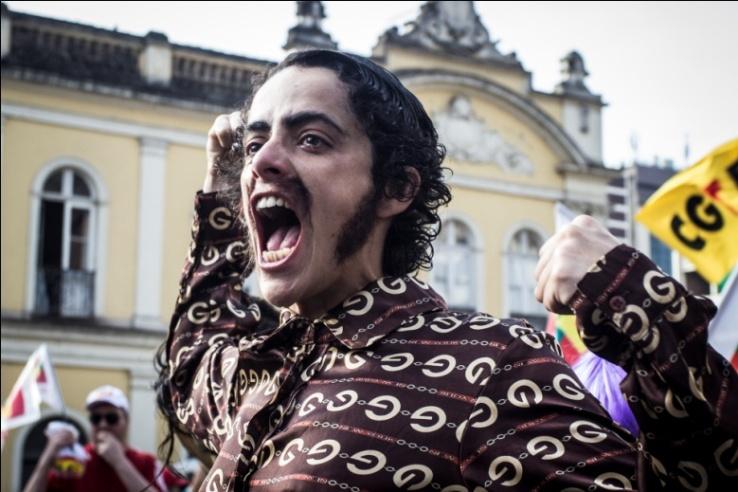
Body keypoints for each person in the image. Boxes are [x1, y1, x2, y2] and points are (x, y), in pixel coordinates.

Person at [157, 49, 737, 491]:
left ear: (396, 188)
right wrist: (217, 197)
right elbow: (189, 368)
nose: (261, 162)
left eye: (311, 140)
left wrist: (633, 301)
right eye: (253, 145)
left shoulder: (489, 369)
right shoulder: (262, 371)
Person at [24, 385, 173, 492]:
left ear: (126, 421)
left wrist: (119, 462)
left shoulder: (146, 462)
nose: (103, 424)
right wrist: (46, 459)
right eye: (96, 418)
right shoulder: (76, 460)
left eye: (111, 418)